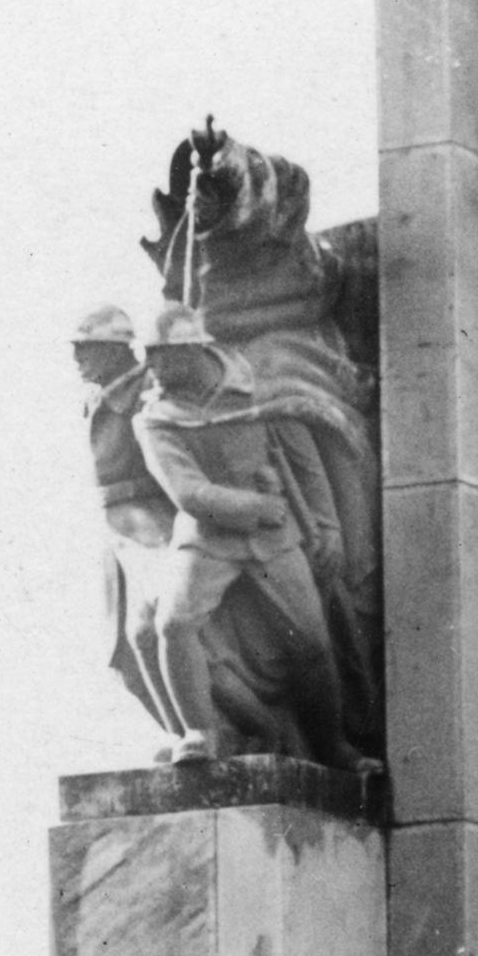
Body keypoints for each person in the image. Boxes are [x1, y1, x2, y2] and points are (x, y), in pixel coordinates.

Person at [133, 307, 347, 767]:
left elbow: (303, 459)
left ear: (193, 352)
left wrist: (327, 524)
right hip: (207, 537)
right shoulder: (155, 418)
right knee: (174, 624)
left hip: (276, 538)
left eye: (159, 357)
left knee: (312, 643)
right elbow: (187, 492)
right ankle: (198, 732)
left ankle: (333, 747)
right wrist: (255, 508)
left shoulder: (257, 389)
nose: (151, 368)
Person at [73, 304, 175, 744]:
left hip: (151, 520)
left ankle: (209, 730)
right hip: (115, 526)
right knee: (122, 658)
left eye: (85, 349)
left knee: (158, 627)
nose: (77, 360)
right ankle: (180, 733)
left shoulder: (148, 387)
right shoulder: (96, 394)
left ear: (116, 349)